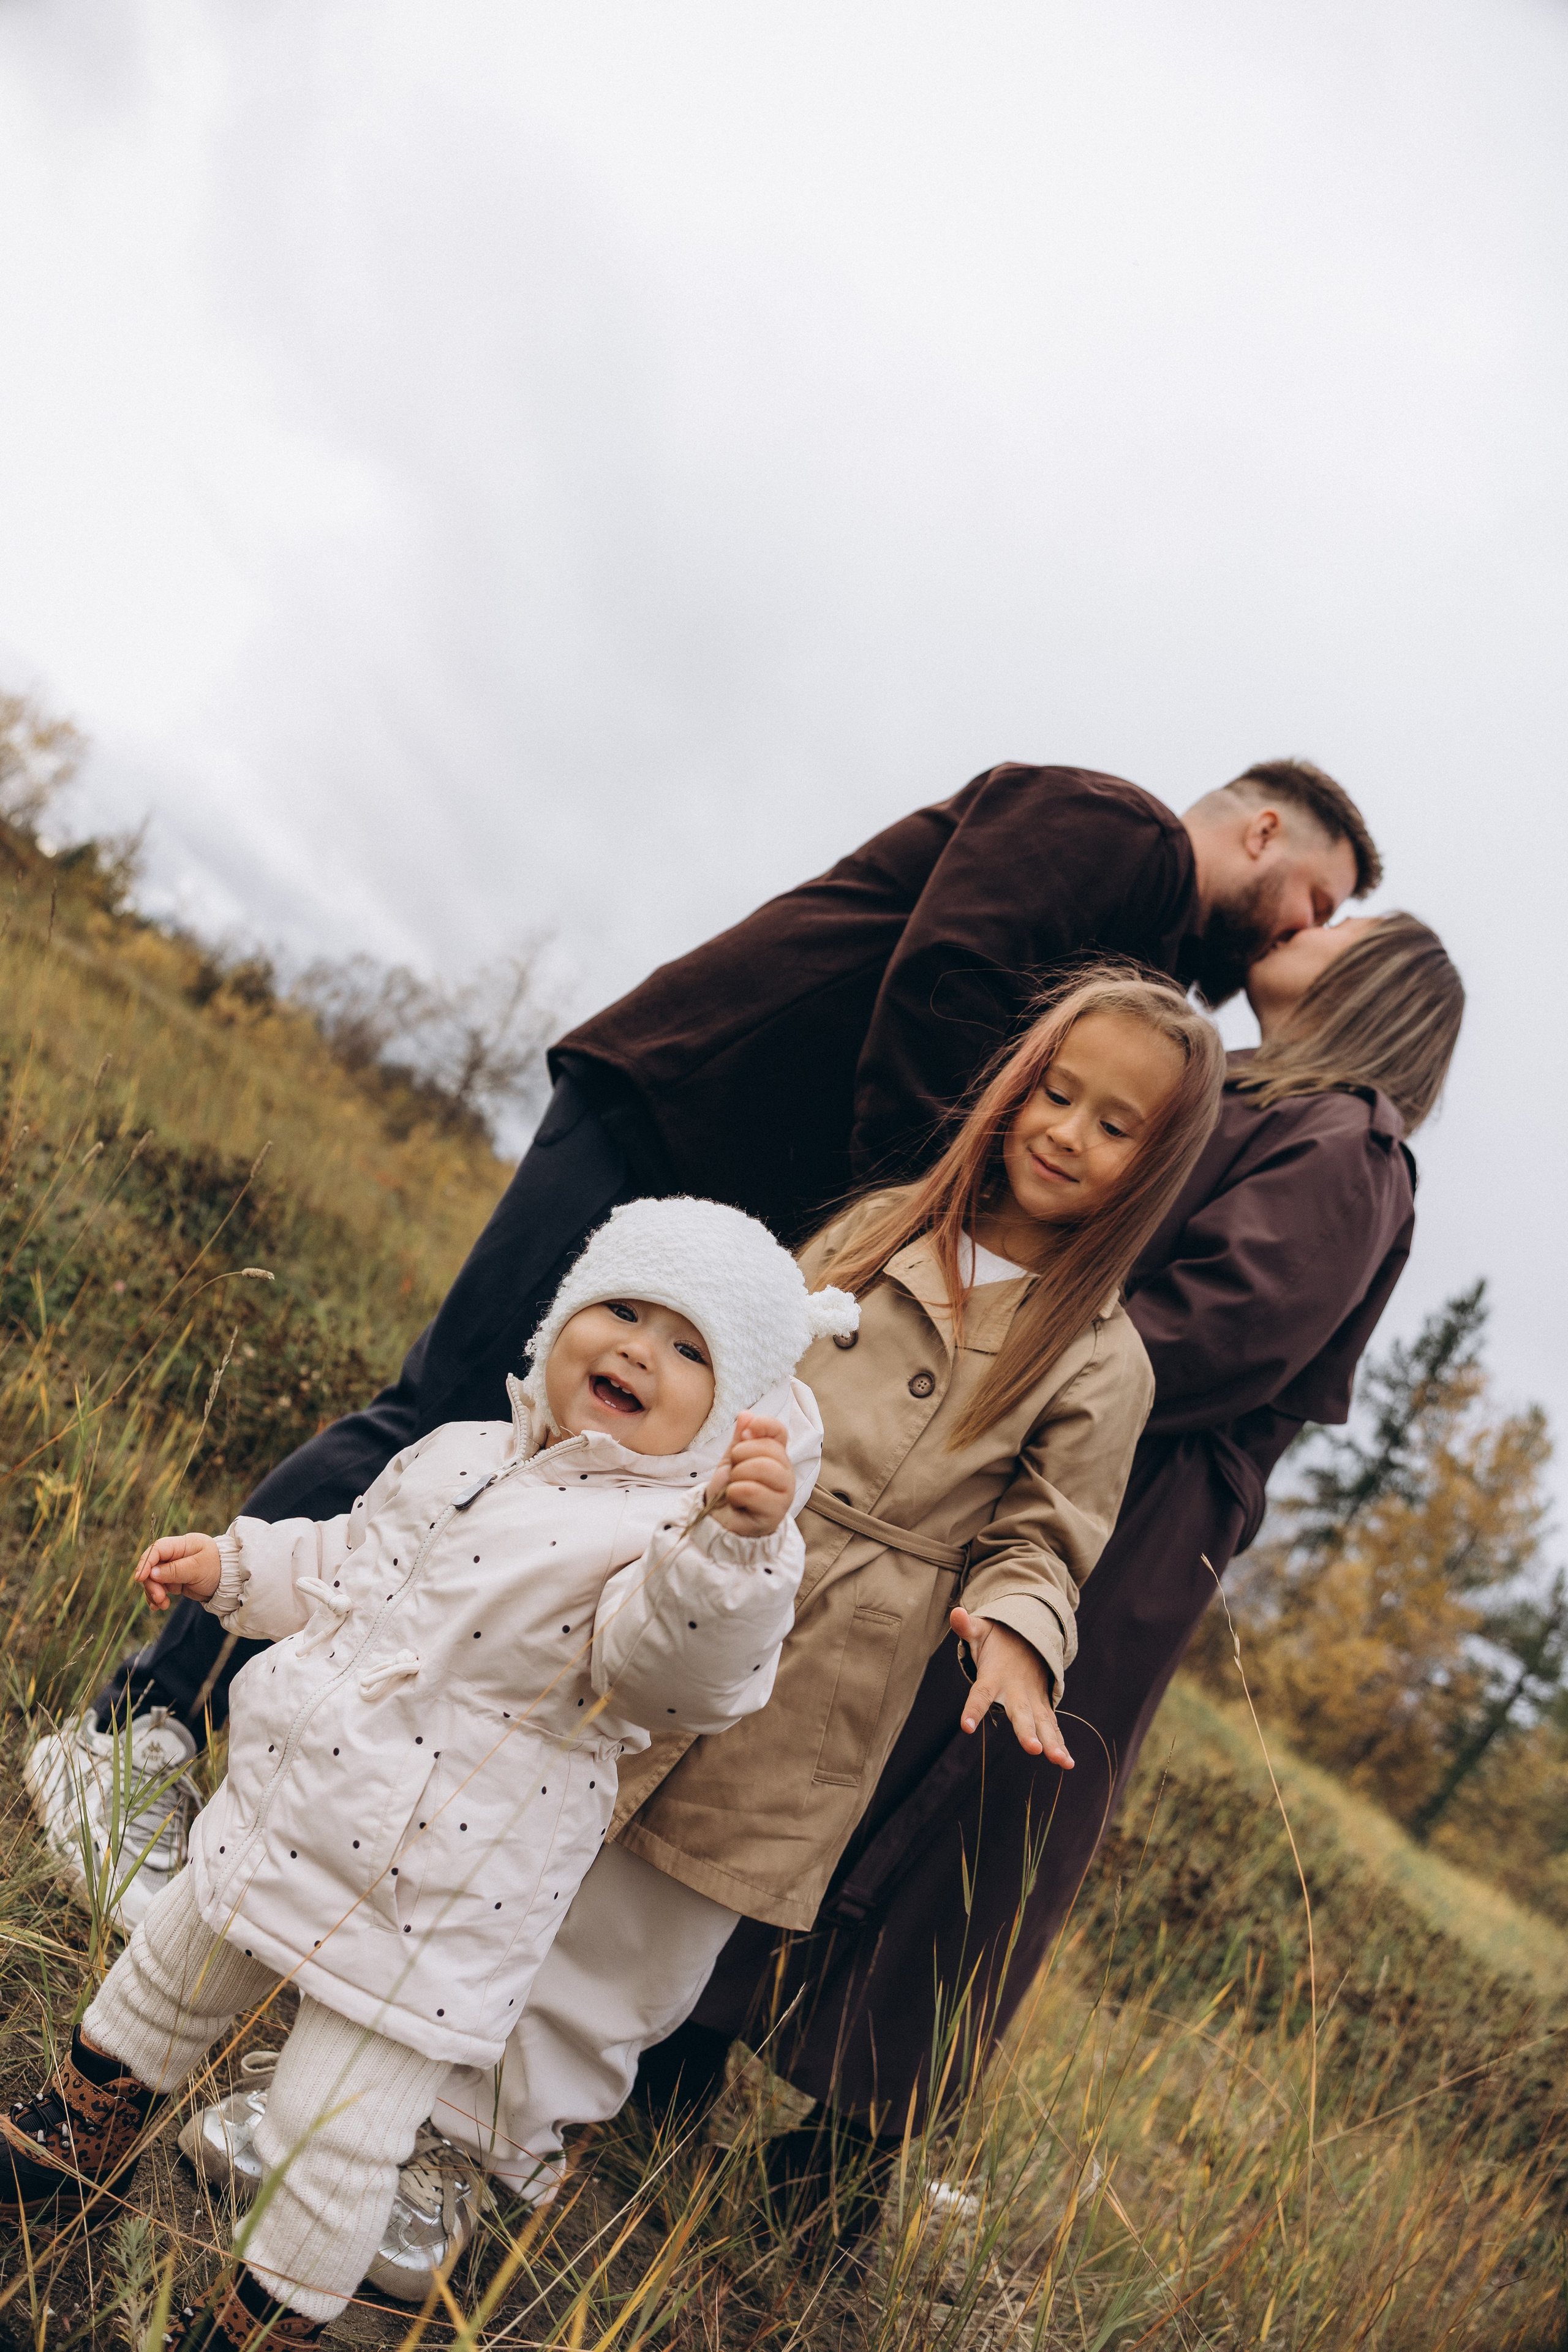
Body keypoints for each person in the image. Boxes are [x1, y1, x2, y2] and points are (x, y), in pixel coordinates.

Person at [29, 755, 1377, 1924]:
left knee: (535, 1483)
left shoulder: (1137, 950)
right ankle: (138, 1723)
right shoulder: (1114, 829)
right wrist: (907, 1227)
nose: (1300, 938)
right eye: (1315, 899)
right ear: (1258, 834)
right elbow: (943, 981)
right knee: (446, 1419)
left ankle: (300, 1782)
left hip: (716, 1217)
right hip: (671, 1119)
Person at [186, 967, 1227, 2227]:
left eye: (1113, 1125)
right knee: (508, 1849)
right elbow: (717, 1370)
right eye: (1054, 1094)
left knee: (637, 1932)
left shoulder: (1100, 1357)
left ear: (1155, 1164)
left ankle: (479, 2157)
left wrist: (1014, 1636)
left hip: (825, 1675)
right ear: (1012, 1090)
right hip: (657, 1590)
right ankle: (350, 2094)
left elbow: (1045, 1537)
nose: (1066, 1132)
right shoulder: (884, 1227)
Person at [642, 910, 1463, 2228]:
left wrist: (1016, 1339)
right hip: (1015, 1454)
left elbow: (1219, 1334)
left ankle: (843, 2154)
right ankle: (685, 2031)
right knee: (847, 1730)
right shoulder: (1246, 1099)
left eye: (1344, 924)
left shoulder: (1348, 1146)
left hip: (1116, 1521)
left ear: (1381, 986)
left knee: (983, 1796)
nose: (1312, 924)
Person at [1, 1199, 853, 2351]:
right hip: (286, 1804)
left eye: (690, 1349)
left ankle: (264, 2323)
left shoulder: (672, 1546)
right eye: (621, 1310)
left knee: (328, 2128)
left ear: (728, 1416)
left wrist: (738, 1552)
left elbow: (675, 1678)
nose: (640, 1350)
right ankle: (67, 2148)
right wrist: (237, 1567)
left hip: (434, 1897)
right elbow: (349, 1558)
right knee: (166, 1974)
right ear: (562, 1320)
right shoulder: (463, 1452)